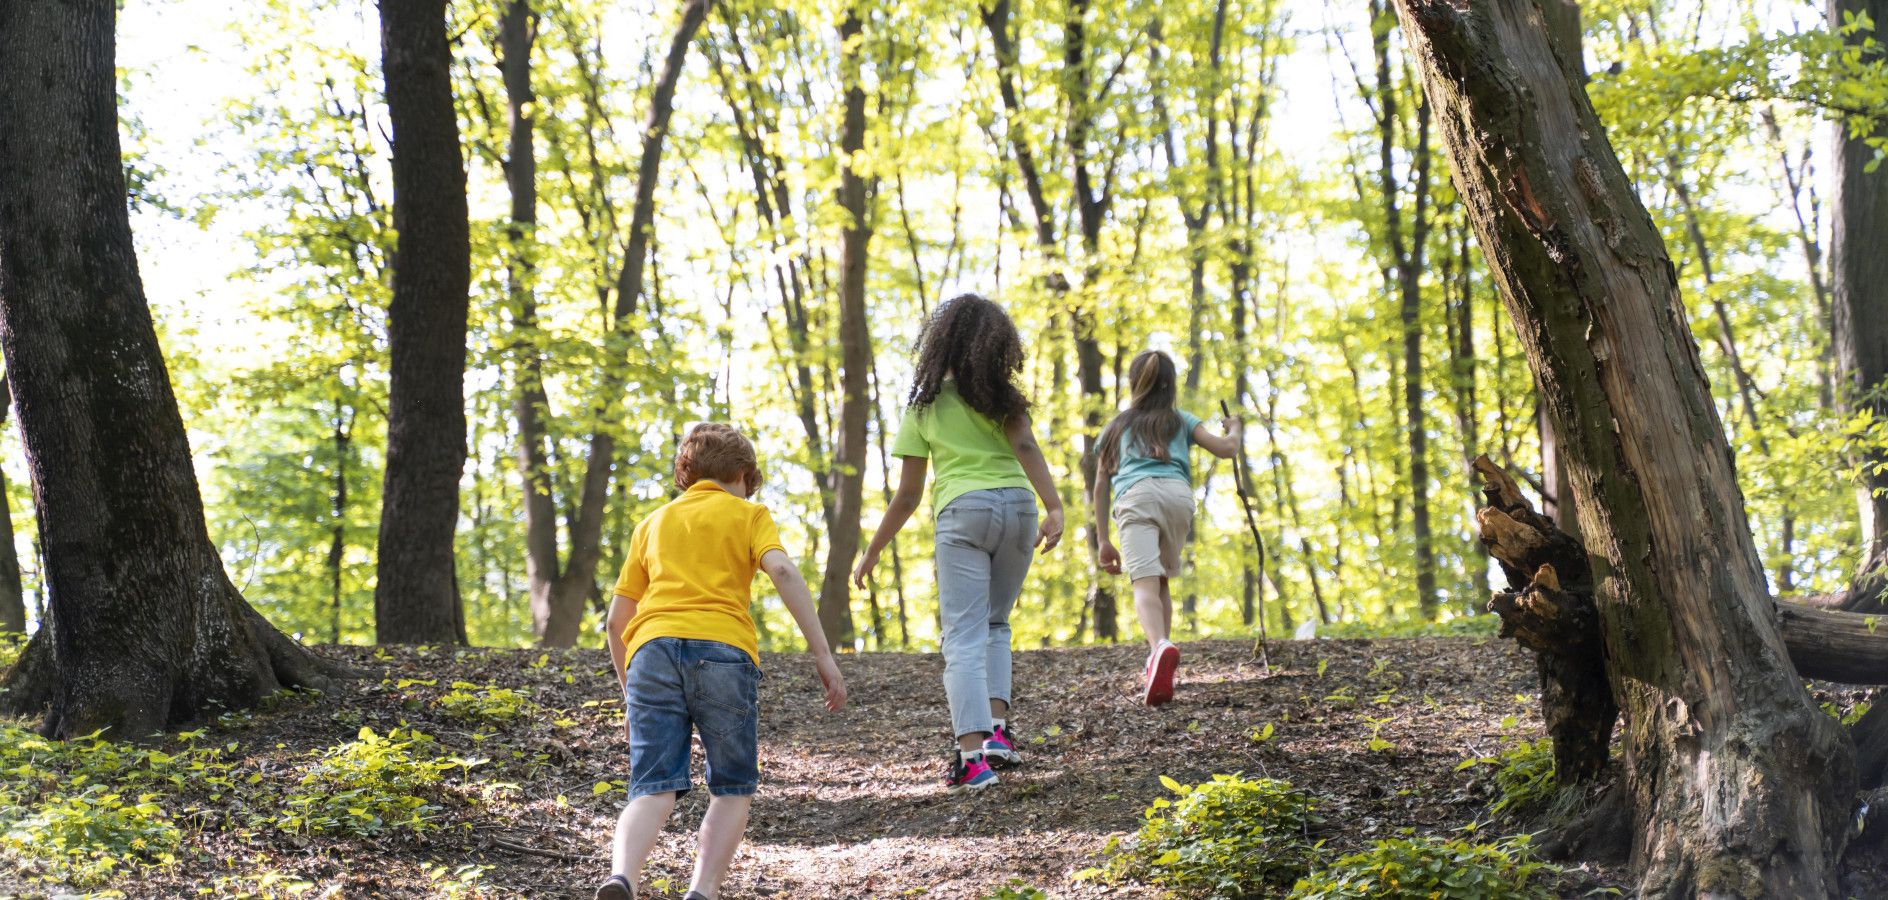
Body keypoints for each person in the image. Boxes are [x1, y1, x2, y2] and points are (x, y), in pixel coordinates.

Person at [596, 424, 847, 900]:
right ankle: (702, 892)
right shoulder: (749, 515)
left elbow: (614, 623)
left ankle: (622, 877)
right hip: (724, 652)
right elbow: (783, 570)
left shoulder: (651, 523)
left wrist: (630, 696)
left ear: (685, 474)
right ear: (743, 474)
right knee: (732, 786)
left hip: (651, 651)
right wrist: (821, 653)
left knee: (652, 787)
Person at [852, 293, 1063, 792]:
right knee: (995, 623)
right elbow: (1027, 446)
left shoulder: (925, 405)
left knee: (963, 637)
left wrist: (875, 548)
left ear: (940, 343)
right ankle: (998, 734)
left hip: (964, 512)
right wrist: (1053, 505)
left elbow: (907, 495)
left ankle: (971, 758)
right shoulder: (1003, 398)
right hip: (1017, 506)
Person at [1092, 350, 1241, 706]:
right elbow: (1225, 449)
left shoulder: (1116, 427)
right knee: (1161, 580)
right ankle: (1161, 654)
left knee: (1143, 581)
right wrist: (1235, 427)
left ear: (1133, 383)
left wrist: (1102, 539)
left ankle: (1159, 646)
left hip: (1136, 496)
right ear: (1170, 384)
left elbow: (1100, 484)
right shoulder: (1181, 420)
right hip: (1177, 496)